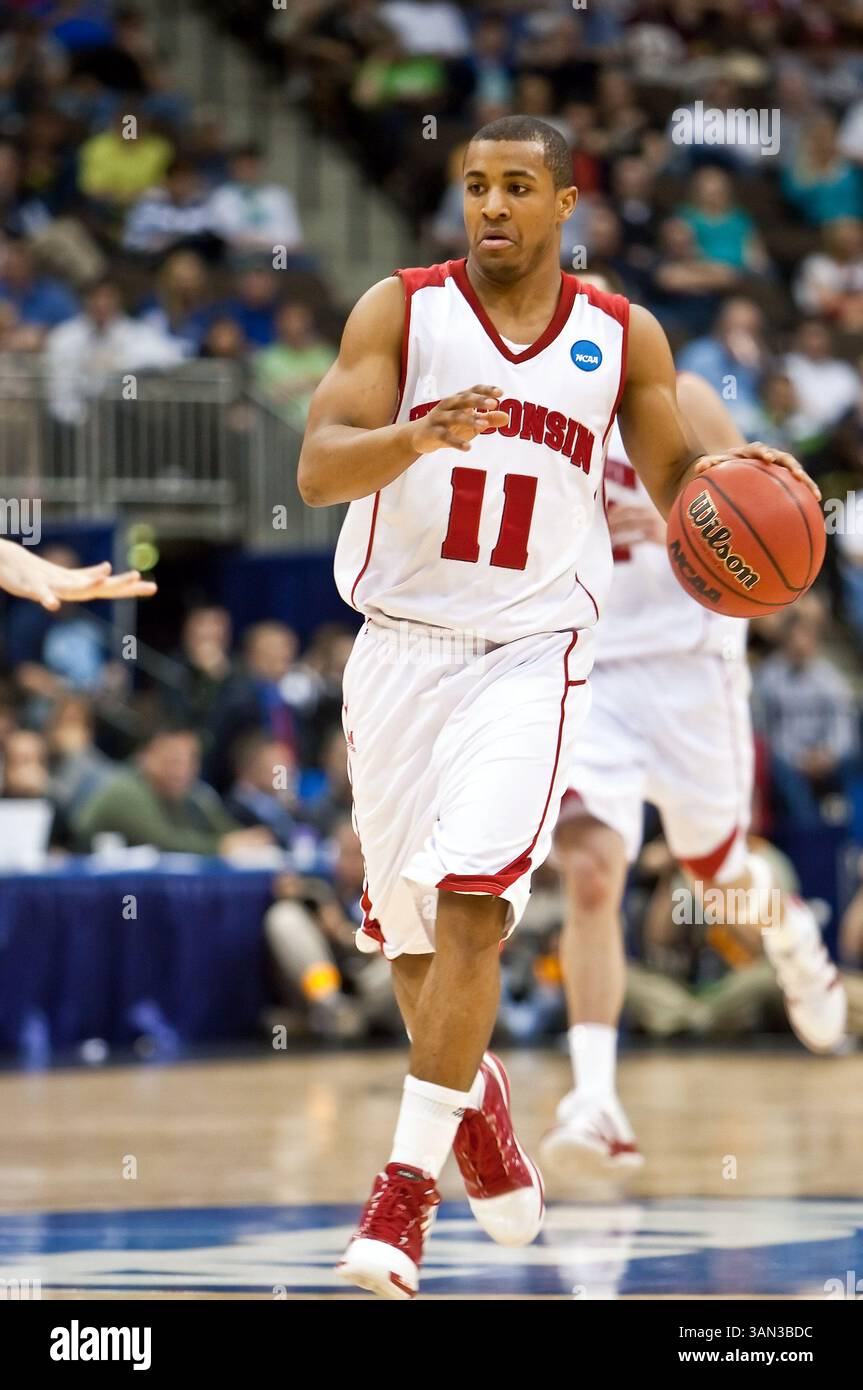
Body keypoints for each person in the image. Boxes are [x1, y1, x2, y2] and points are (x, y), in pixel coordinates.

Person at [297, 113, 816, 1299]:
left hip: (533, 654)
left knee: (477, 907)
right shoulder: (398, 310)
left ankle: (399, 1202)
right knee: (412, 942)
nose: (489, 205)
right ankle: (472, 1094)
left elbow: (686, 483)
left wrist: (752, 490)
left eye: (516, 186)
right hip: (397, 648)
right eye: (474, 185)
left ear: (564, 203)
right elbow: (318, 466)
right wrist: (411, 435)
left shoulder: (621, 338)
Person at [540, 352, 848, 1184]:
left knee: (716, 876)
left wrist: (680, 517)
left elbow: (768, 510)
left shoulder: (679, 400)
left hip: (688, 667)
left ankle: (790, 938)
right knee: (591, 871)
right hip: (593, 669)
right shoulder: (533, 421)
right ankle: (596, 1102)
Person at [72, 724, 273, 856]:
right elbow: (164, 841)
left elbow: (228, 831)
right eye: (173, 760)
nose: (182, 770)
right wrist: (221, 846)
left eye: (191, 760)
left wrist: (249, 840)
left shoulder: (196, 794)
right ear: (145, 758)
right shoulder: (124, 790)